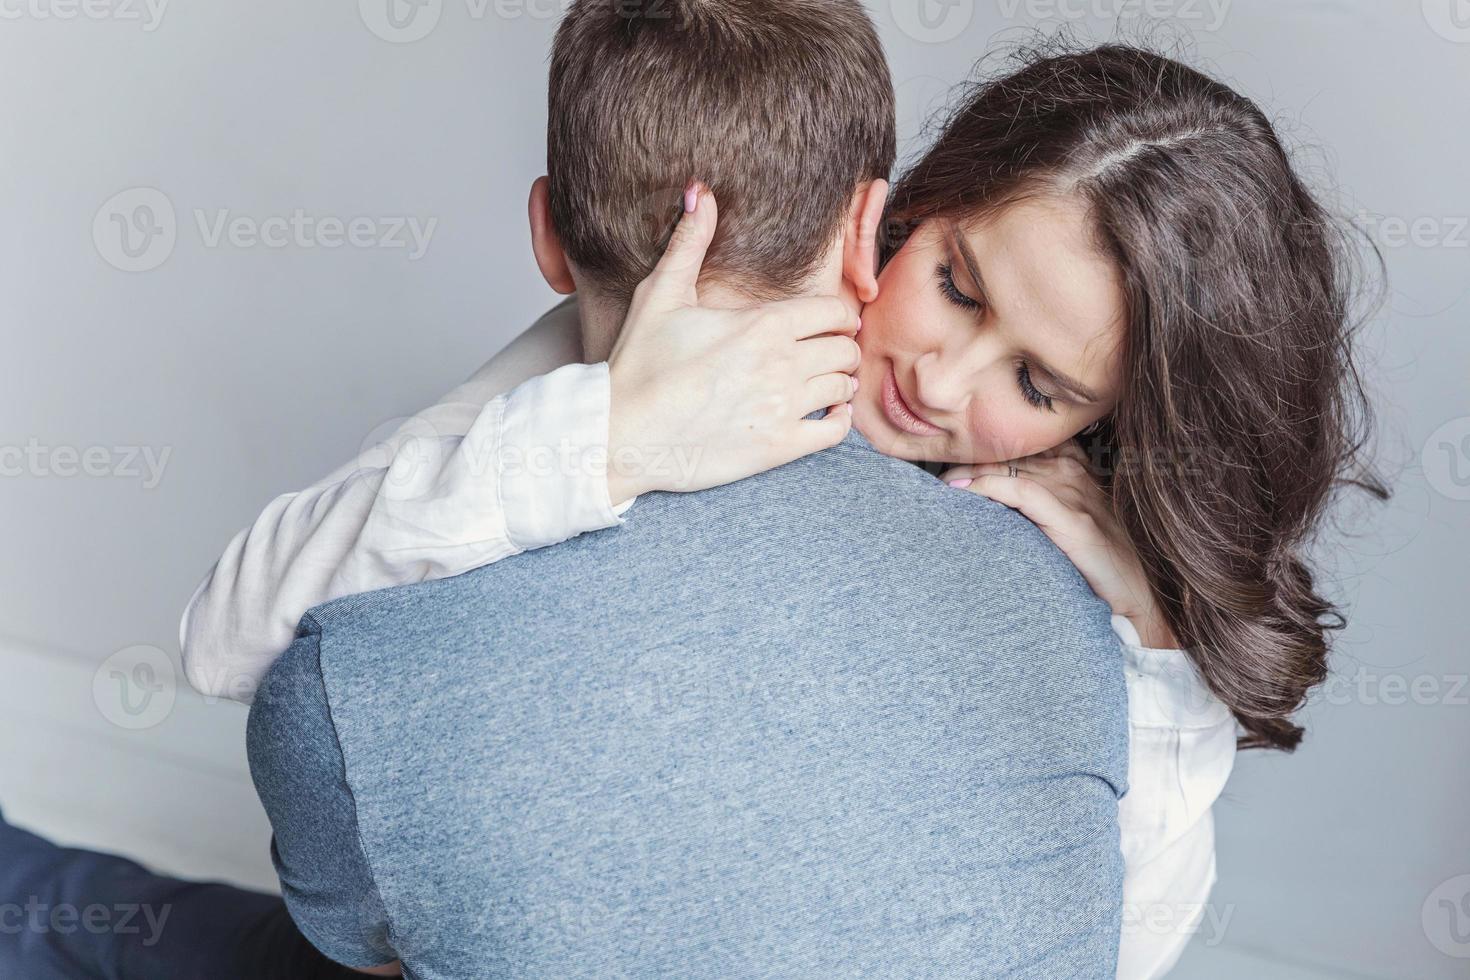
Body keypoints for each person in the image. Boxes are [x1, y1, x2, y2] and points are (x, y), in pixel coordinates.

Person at [196, 15, 1377, 980]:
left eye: (1036, 381)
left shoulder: (1055, 564)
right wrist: (611, 434)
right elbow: (231, 630)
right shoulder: (660, 350)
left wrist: (1159, 647)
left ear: (1102, 424)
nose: (935, 381)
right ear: (891, 218)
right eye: (956, 288)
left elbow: (1113, 942)